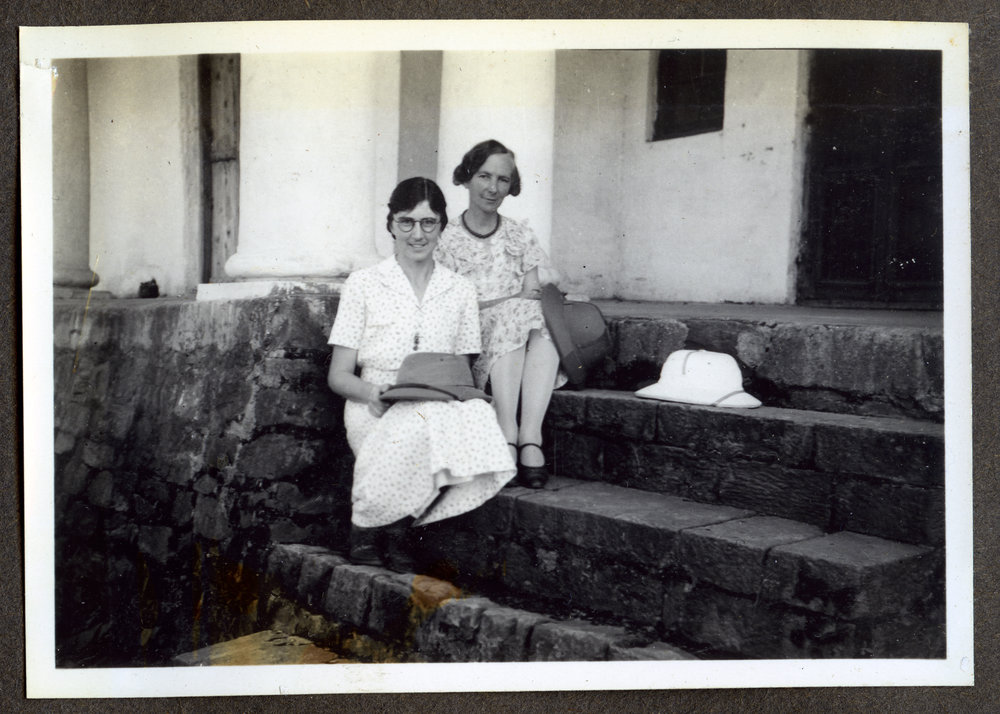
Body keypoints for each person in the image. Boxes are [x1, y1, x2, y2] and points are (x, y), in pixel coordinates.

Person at [327, 177, 516, 569]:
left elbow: (461, 371)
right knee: (410, 424)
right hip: (374, 401)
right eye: (407, 222)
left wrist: (449, 394)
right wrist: (373, 392)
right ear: (391, 225)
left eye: (429, 222)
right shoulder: (363, 284)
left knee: (467, 415)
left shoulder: (459, 289)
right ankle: (381, 526)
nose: (418, 233)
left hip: (434, 399)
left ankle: (385, 527)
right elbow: (339, 376)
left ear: (442, 226)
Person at [435, 140, 566, 489]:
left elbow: (534, 291)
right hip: (474, 335)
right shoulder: (446, 239)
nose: (493, 188)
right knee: (518, 309)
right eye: (484, 176)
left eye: (503, 180)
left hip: (521, 325)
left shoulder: (519, 233)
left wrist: (515, 300)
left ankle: (529, 435)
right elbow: (450, 306)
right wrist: (509, 300)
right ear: (466, 178)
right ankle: (507, 430)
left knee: (539, 318)